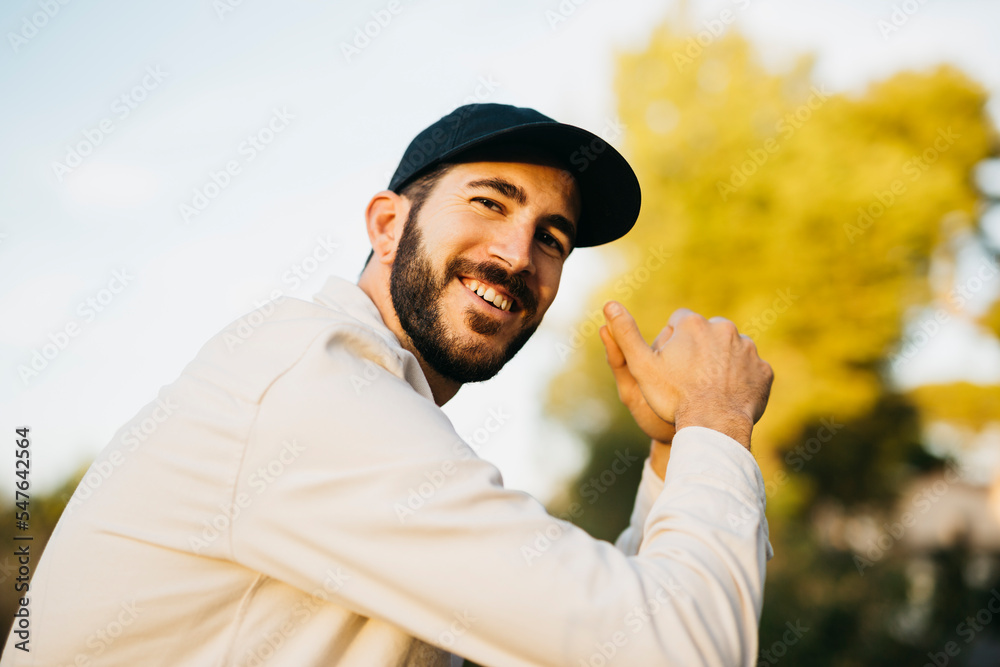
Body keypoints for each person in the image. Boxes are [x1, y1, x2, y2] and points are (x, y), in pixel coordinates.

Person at [2, 103, 774, 666]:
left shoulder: (375, 418)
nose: (516, 254)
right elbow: (682, 651)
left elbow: (595, 639)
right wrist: (718, 414)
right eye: (489, 201)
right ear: (386, 224)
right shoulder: (310, 377)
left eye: (551, 237)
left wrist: (675, 448)